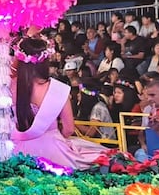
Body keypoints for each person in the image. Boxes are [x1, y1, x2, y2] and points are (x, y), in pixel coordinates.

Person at [11, 38, 106, 169]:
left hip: (15, 152)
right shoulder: (58, 89)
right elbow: (69, 129)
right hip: (52, 152)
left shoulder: (9, 86)